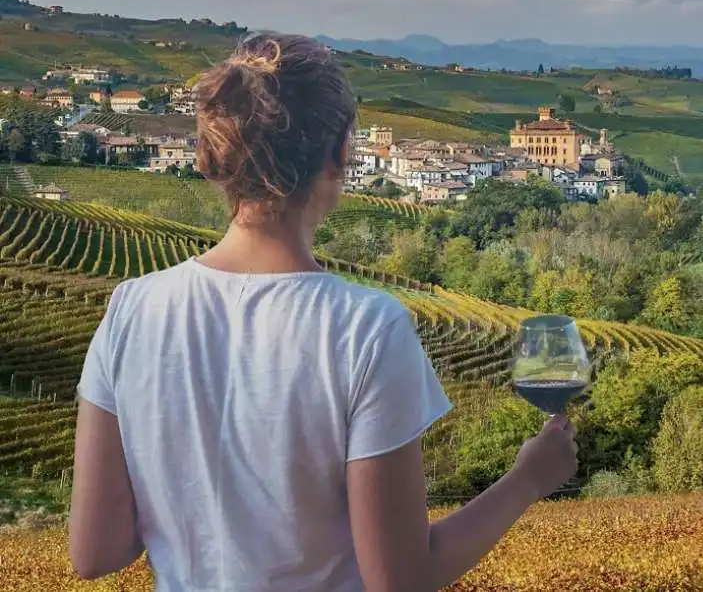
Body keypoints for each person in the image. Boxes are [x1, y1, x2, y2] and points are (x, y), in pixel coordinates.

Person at [68, 32, 578, 592]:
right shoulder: (366, 327)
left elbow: (97, 551)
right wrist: (529, 478)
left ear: (218, 156)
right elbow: (403, 579)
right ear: (340, 153)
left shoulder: (130, 310)